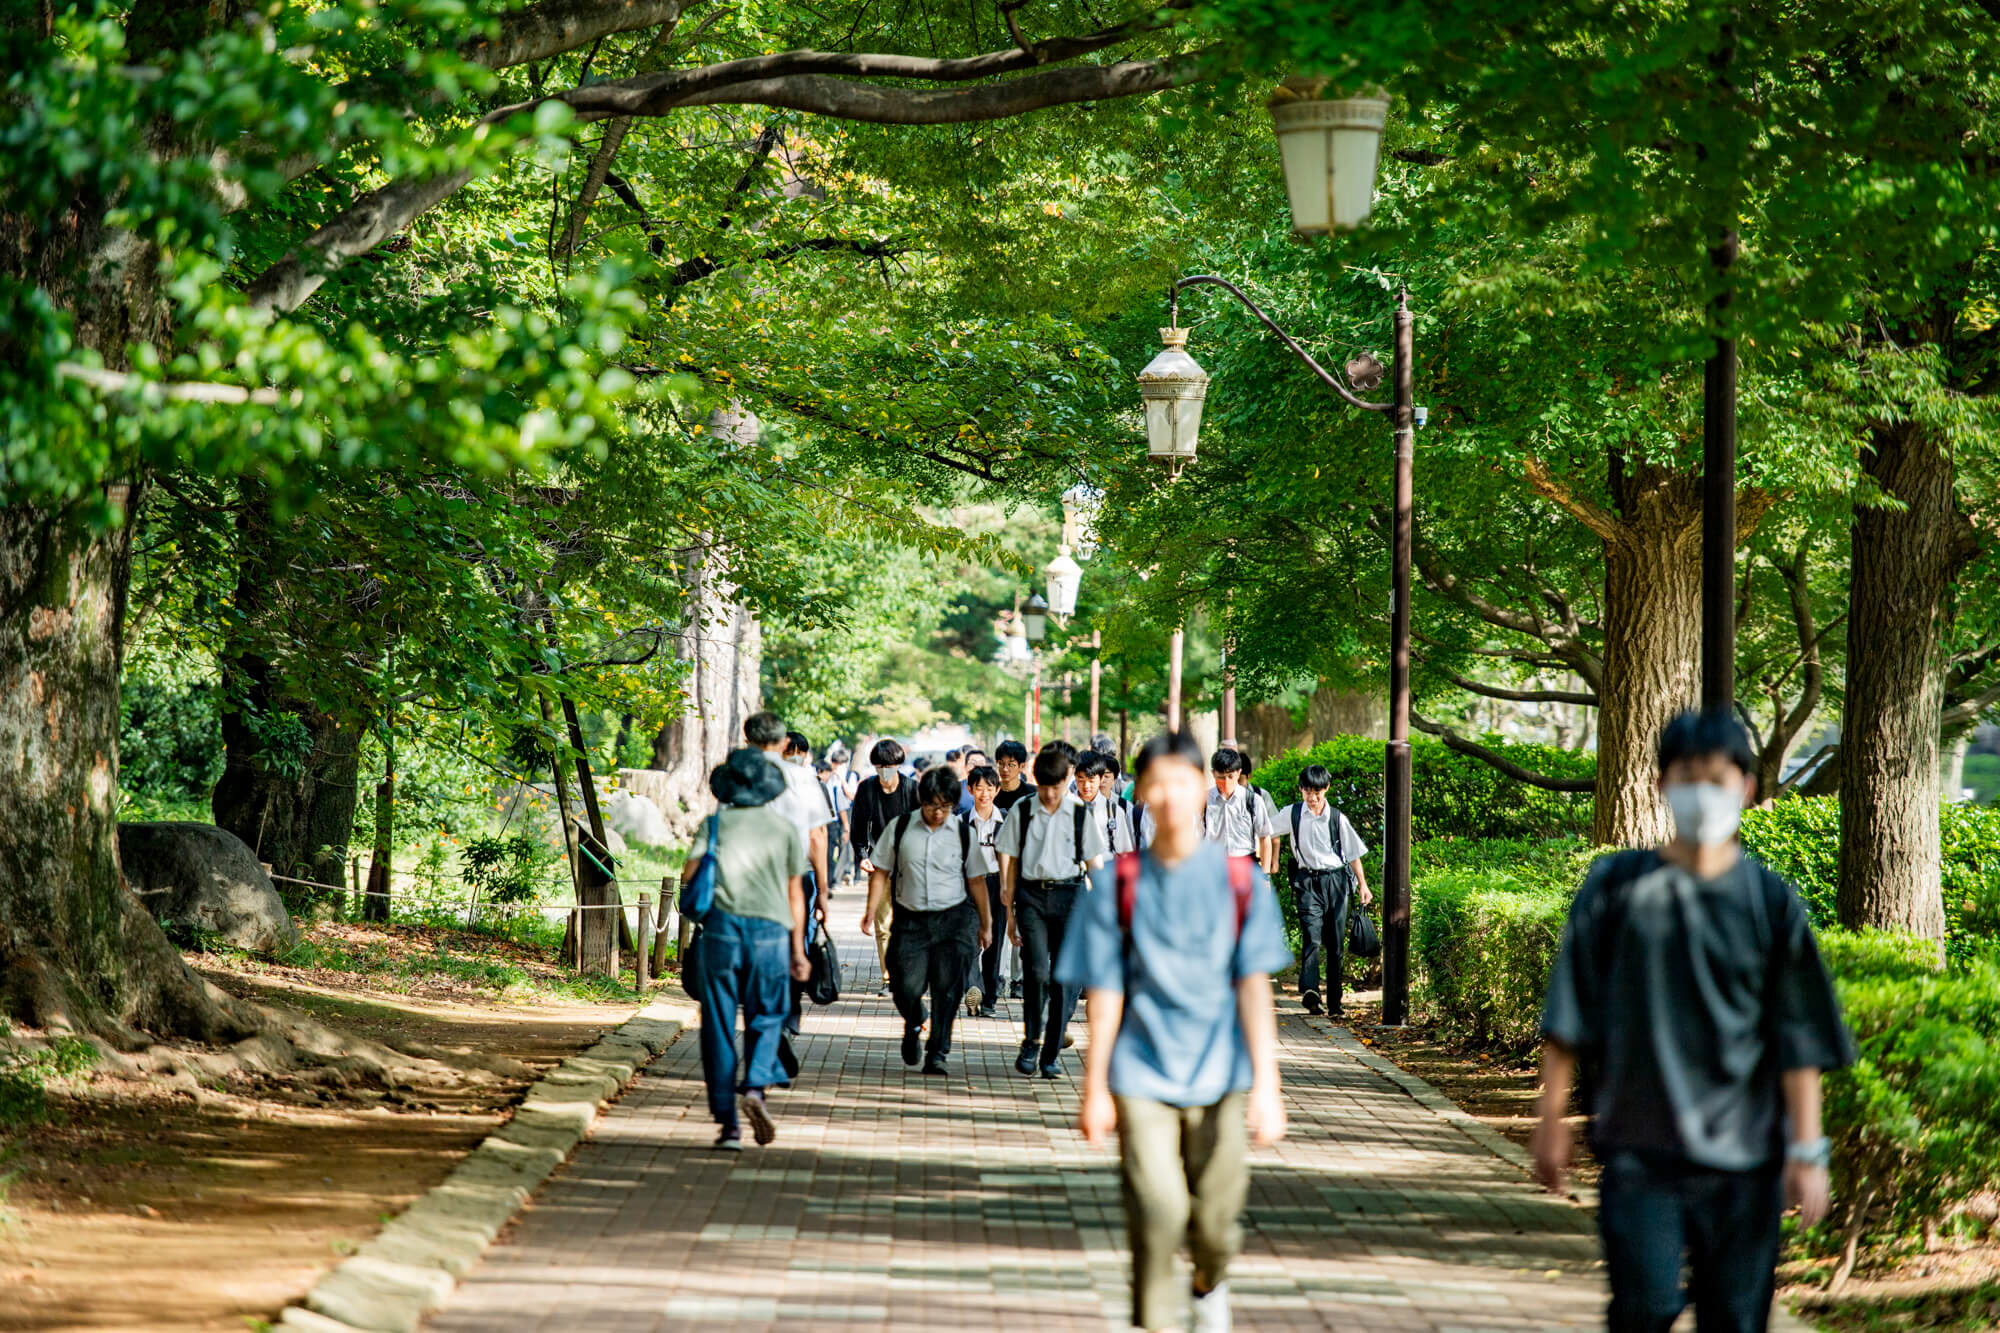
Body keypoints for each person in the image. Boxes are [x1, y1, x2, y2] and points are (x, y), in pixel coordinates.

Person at [1533, 709, 1854, 1333]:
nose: (1703, 792)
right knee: (1645, 1307)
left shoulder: (1768, 902)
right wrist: (1550, 1119)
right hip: (1639, 1153)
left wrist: (1808, 1151)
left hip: (1747, 1162)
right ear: (1661, 784)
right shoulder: (1616, 887)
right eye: (1688, 776)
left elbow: (1799, 1036)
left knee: (1735, 1320)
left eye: (1718, 777)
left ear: (1748, 788)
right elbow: (1570, 1010)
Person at [1060, 730, 1291, 1333]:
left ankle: (1208, 1282)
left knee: (1218, 1225)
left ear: (1203, 790)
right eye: (1154, 784)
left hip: (1222, 1076)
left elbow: (1253, 989)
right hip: (1141, 1074)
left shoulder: (1242, 884)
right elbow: (1104, 996)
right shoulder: (1117, 885)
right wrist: (1095, 1091)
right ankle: (1158, 1321)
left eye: (1179, 783)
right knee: (1157, 1214)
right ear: (1141, 792)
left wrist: (1269, 1086)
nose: (1167, 796)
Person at [681, 748, 811, 1151]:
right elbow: (795, 894)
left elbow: (689, 876)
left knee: (718, 1025)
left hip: (721, 931)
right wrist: (798, 950)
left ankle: (728, 1127)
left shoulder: (715, 824)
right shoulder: (785, 829)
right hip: (771, 934)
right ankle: (755, 1086)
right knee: (768, 1015)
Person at [863, 768, 997, 1075]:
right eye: (932, 806)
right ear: (921, 801)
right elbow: (881, 870)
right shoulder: (900, 828)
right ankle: (914, 1019)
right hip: (910, 921)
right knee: (902, 985)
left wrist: (985, 923)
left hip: (953, 920)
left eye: (946, 807)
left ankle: (938, 1052)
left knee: (947, 990)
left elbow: (976, 880)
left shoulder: (964, 834)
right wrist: (871, 910)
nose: (938, 813)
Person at [997, 747, 1109, 1078]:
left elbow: (1095, 865)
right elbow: (1010, 858)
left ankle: (1051, 1052)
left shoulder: (1078, 813)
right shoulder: (1022, 810)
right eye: (1043, 786)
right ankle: (1031, 1040)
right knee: (1036, 973)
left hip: (1071, 896)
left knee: (1064, 978)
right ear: (1037, 781)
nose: (1049, 794)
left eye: (1055, 787)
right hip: (1031, 895)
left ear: (1065, 782)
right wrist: (1010, 906)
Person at [1271, 764, 1373, 1017]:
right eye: (1307, 790)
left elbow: (1352, 854)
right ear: (1301, 789)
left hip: (1336, 882)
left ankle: (1335, 1004)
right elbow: (1265, 830)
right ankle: (1311, 992)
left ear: (1326, 789)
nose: (1312, 797)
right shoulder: (1292, 814)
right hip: (1307, 881)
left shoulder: (1337, 818)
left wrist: (1363, 884)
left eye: (1317, 791)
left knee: (1336, 943)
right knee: (1312, 937)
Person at [762, 722, 833, 1036]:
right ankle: (788, 1014)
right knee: (796, 942)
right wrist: (824, 889)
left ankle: (770, 1012)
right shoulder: (806, 779)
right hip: (796, 874)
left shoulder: (752, 775)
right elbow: (817, 836)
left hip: (760, 876)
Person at [849, 738, 921, 990]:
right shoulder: (867, 789)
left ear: (899, 765)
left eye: (889, 766)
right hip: (880, 864)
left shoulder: (913, 789)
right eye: (879, 766)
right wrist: (862, 856)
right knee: (882, 924)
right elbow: (857, 828)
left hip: (910, 866)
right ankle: (889, 976)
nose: (884, 771)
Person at [962, 763, 1007, 1016]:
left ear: (997, 790)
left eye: (989, 788)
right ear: (970, 790)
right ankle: (973, 989)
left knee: (994, 944)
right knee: (969, 941)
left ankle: (990, 997)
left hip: (996, 885)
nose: (984, 794)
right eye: (979, 788)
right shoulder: (960, 822)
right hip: (969, 887)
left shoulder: (1007, 821)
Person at [1204, 748, 1272, 867]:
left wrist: (1265, 876)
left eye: (1230, 776)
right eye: (1221, 777)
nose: (1226, 782)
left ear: (1239, 773)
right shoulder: (1203, 802)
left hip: (1245, 865)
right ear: (1213, 773)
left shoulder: (1253, 800)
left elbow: (1265, 837)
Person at [1076, 750, 1136, 856]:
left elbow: (1124, 853)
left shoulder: (1114, 812)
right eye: (1081, 779)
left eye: (1091, 780)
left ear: (1101, 778)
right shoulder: (1065, 807)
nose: (1086, 786)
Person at [992, 739, 1034, 810]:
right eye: (1001, 763)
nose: (1005, 769)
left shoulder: (1032, 794)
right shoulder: (991, 793)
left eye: (1011, 765)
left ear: (1022, 766)